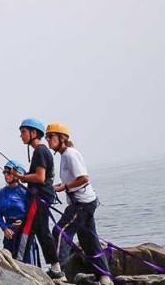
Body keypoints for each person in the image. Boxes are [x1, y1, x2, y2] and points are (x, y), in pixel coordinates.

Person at [46, 122, 112, 285]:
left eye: (51, 136)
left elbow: (83, 178)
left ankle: (57, 269)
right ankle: (104, 277)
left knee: (60, 231)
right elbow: (73, 179)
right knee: (89, 240)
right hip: (85, 201)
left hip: (81, 203)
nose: (48, 140)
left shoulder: (69, 154)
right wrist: (58, 187)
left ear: (62, 138)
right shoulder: (65, 155)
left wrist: (65, 187)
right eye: (47, 137)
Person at [11, 118, 63, 278]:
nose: (21, 135)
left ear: (33, 133)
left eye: (23, 132)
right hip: (41, 197)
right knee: (41, 231)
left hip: (39, 198)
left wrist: (22, 177)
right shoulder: (41, 151)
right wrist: (25, 176)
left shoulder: (40, 151)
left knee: (26, 231)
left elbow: (40, 177)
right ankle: (56, 268)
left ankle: (18, 265)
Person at [0, 159, 38, 265]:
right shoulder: (2, 192)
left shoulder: (24, 191)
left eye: (8, 173)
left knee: (27, 261)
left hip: (24, 231)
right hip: (9, 233)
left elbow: (32, 213)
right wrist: (4, 228)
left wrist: (23, 223)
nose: (6, 175)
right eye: (4, 173)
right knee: (10, 263)